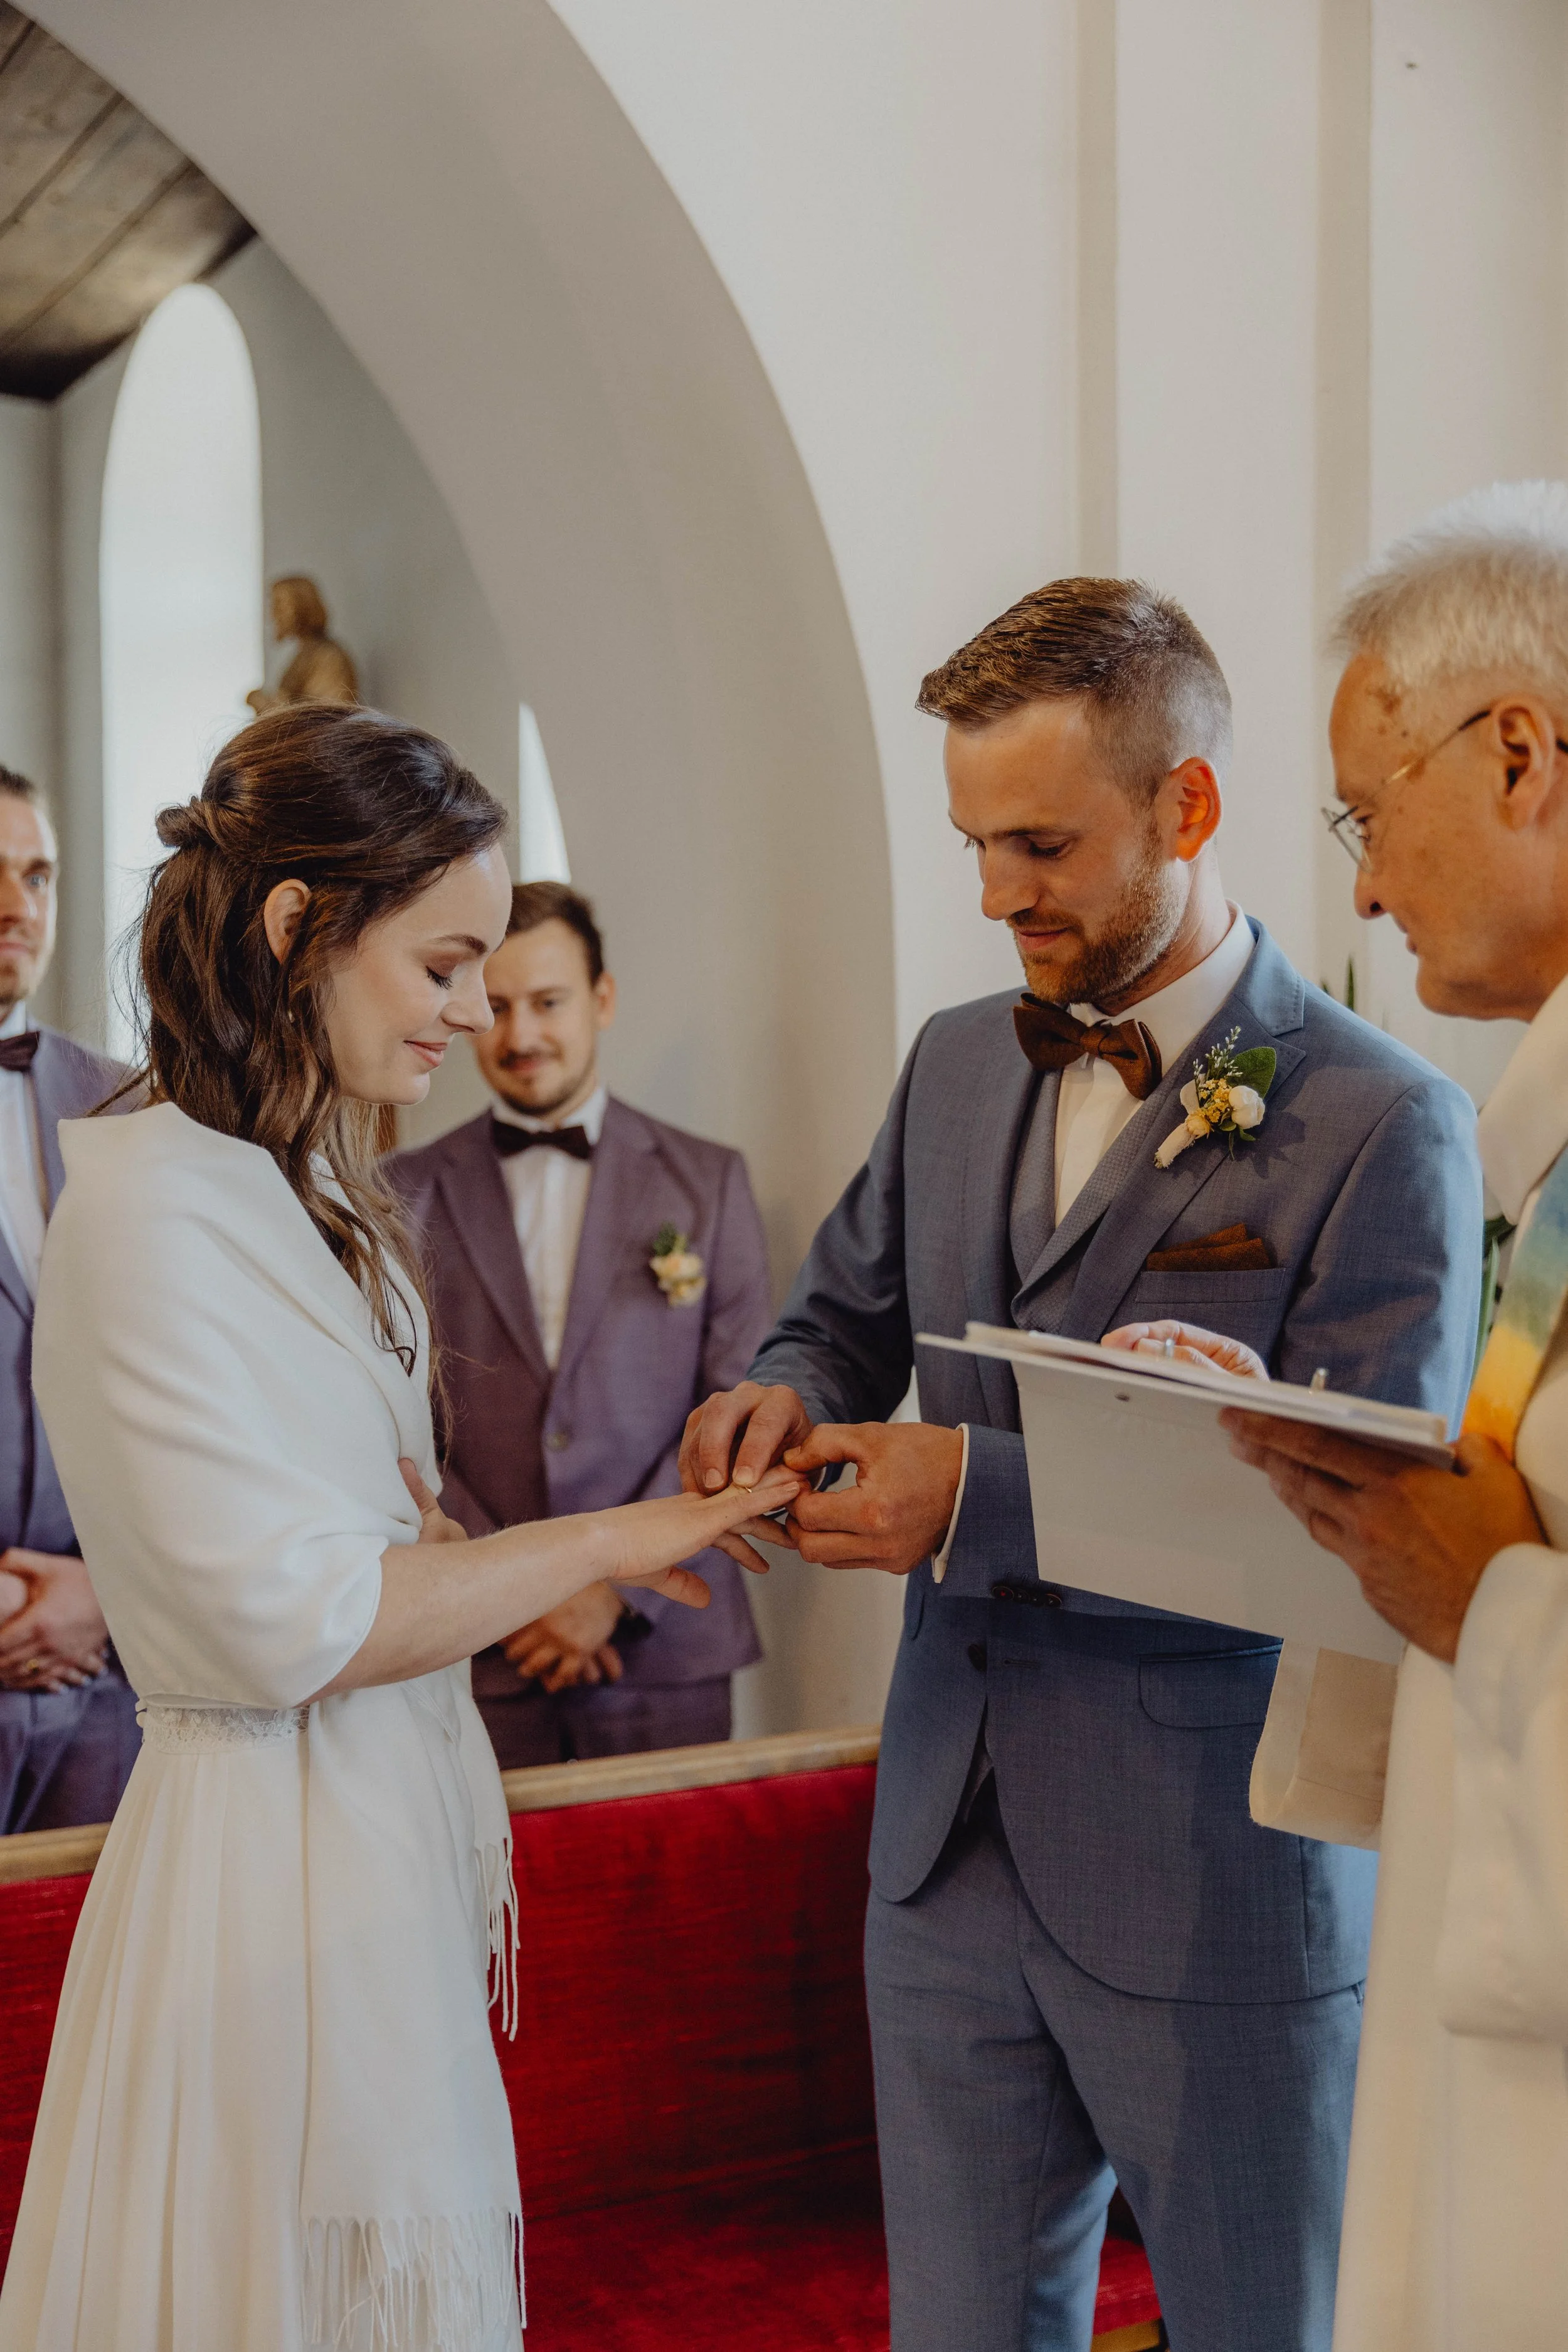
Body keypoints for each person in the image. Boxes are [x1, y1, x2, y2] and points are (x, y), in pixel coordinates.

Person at [681, 578, 1481, 2352]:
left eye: (1039, 843)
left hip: (1215, 1864)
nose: (993, 897)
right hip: (939, 1854)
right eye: (973, 842)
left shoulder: (1378, 1119)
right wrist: (771, 1386)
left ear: (1185, 806)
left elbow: (1369, 1544)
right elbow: (842, 1310)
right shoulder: (957, 1061)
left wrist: (967, 1493)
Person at [0, 706, 794, 2352]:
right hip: (258, 1887)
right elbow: (298, 1622)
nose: (466, 1011)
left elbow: (400, 1513)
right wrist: (609, 1538)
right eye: (439, 964)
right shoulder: (145, 1203)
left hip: (383, 1839)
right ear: (299, 924)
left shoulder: (319, 1183)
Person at [1221, 480, 1568, 2352]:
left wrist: (1487, 1604)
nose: (1355, 882)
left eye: (1368, 814)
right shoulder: (1548, 1133)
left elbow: (1508, 1579)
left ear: (1515, 751)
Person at [390, 882, 770, 1768]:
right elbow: (398, 1421)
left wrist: (614, 1590)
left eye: (550, 1002)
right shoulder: (401, 1192)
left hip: (669, 1641)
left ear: (601, 998)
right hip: (478, 1647)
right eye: (499, 1004)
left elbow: (741, 1399)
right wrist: (519, 1591)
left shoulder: (706, 1182)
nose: (521, 1036)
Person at [0, 763, 138, 1831]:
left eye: (38, 876)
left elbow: (192, 1385)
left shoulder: (129, 1105)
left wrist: (109, 1588)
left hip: (112, 1674)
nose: (18, 907)